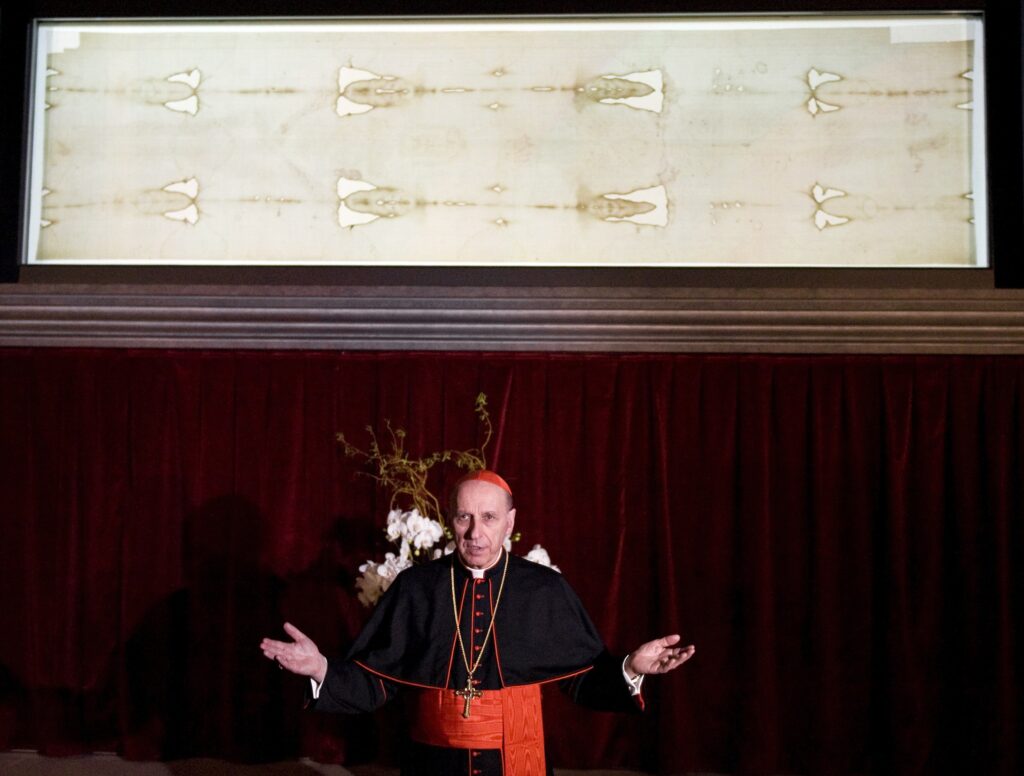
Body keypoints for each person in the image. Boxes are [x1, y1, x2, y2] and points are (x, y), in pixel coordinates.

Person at [261, 469, 695, 776]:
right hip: (432, 764)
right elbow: (378, 680)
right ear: (450, 519)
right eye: (464, 517)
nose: (475, 532)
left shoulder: (544, 590)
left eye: (488, 518)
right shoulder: (417, 587)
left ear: (510, 522)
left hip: (518, 763)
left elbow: (581, 679)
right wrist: (321, 668)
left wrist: (631, 669)